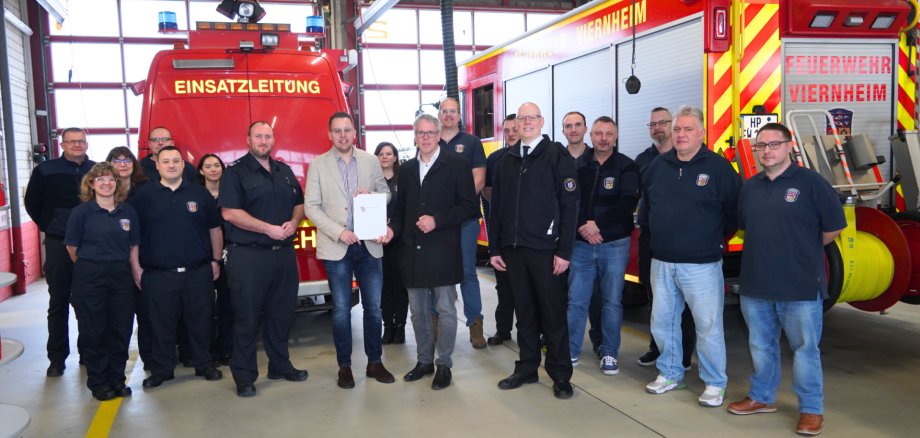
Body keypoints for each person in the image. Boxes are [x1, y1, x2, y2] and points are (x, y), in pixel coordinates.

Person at [728, 123, 845, 436]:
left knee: (805, 349)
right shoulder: (750, 188)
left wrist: (801, 246)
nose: (767, 151)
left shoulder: (812, 183)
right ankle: (762, 397)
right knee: (761, 345)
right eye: (761, 146)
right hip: (756, 284)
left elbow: (833, 227)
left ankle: (811, 410)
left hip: (800, 284)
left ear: (789, 146)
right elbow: (745, 227)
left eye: (774, 144)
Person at [642, 105, 741, 408]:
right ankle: (670, 373)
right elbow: (648, 207)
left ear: (701, 133)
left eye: (688, 129)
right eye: (678, 129)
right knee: (663, 322)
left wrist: (709, 241)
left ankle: (714, 382)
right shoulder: (658, 167)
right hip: (662, 262)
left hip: (701, 264)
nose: (681, 134)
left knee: (707, 325)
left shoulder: (718, 168)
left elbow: (733, 214)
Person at [489, 102, 579, 400]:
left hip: (546, 251)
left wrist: (564, 251)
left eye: (532, 118)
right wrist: (494, 248)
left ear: (541, 122)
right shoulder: (506, 160)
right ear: (514, 124)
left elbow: (570, 206)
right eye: (521, 118)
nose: (526, 123)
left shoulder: (557, 156)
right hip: (513, 251)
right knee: (524, 315)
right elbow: (496, 208)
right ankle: (526, 368)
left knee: (553, 316)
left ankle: (561, 376)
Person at [304, 112, 395, 390]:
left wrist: (374, 196)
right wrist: (338, 231)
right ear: (329, 134)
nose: (343, 135)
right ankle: (344, 366)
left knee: (374, 309)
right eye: (337, 131)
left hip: (369, 246)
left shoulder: (370, 160)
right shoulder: (318, 165)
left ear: (354, 132)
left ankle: (374, 362)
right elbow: (311, 207)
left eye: (347, 130)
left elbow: (386, 194)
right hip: (337, 246)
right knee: (342, 310)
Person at [220, 121, 308, 397]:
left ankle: (280, 365)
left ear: (273, 140)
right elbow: (230, 214)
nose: (263, 140)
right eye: (258, 136)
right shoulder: (235, 173)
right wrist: (267, 228)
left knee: (281, 315)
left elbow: (299, 203)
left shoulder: (284, 170)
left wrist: (295, 222)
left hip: (282, 255)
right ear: (248, 139)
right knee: (247, 318)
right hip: (249, 256)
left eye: (268, 136)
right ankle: (244, 376)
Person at [391, 114, 477, 390]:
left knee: (445, 310)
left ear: (439, 135)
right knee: (417, 312)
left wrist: (437, 220)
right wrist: (391, 229)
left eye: (430, 132)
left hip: (443, 249)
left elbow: (468, 206)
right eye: (420, 133)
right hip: (412, 252)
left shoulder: (457, 165)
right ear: (414, 136)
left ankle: (444, 365)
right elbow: (400, 210)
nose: (426, 137)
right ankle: (424, 360)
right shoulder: (405, 170)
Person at [129, 146, 224, 389]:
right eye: (166, 161)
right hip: (158, 274)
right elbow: (134, 237)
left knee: (201, 321)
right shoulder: (143, 196)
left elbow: (215, 229)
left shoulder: (199, 194)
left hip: (197, 271)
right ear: (157, 166)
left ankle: (204, 364)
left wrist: (215, 260)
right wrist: (136, 267)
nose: (171, 165)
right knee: (160, 324)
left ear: (183, 166)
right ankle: (162, 370)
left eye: (175, 161)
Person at [567, 116, 640, 375]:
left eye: (609, 134)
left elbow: (628, 202)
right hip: (582, 245)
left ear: (616, 136)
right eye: (599, 133)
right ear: (591, 135)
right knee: (576, 300)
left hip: (614, 245)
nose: (604, 138)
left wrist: (598, 225)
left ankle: (609, 352)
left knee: (611, 301)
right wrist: (584, 228)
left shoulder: (627, 166)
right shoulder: (578, 167)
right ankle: (571, 350)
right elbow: (570, 202)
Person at [64, 162, 140, 401]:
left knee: (120, 328)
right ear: (91, 184)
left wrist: (136, 270)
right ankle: (98, 382)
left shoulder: (127, 212)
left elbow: (133, 245)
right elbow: (72, 248)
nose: (106, 183)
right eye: (100, 180)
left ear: (117, 183)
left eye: (110, 179)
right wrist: (93, 266)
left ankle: (117, 379)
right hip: (90, 276)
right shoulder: (81, 213)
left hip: (121, 275)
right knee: (94, 329)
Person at [24, 127, 96, 377]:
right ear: (62, 144)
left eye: (81, 141)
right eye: (72, 141)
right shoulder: (45, 170)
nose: (77, 145)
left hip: (90, 246)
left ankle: (88, 353)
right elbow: (32, 202)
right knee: (58, 303)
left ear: (87, 144)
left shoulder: (97, 170)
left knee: (87, 302)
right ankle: (57, 359)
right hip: (58, 243)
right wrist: (50, 225)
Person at [634, 107, 696, 370]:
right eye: (653, 124)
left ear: (673, 126)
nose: (658, 127)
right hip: (650, 238)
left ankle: (684, 355)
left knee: (685, 302)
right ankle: (657, 347)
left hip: (683, 240)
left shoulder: (683, 156)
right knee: (655, 298)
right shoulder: (642, 160)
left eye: (663, 123)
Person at [437, 97, 488, 349]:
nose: (448, 115)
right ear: (439, 115)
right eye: (444, 111)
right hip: (438, 223)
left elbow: (478, 180)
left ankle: (475, 324)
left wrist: (456, 207)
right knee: (438, 271)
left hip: (465, 219)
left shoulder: (472, 143)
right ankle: (436, 321)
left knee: (467, 271)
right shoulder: (430, 141)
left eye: (452, 111)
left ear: (459, 115)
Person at [106, 146, 152, 369]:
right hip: (113, 260)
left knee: (146, 313)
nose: (122, 164)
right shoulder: (104, 191)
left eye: (127, 160)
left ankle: (150, 360)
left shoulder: (146, 189)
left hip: (144, 257)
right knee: (118, 317)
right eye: (117, 160)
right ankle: (116, 364)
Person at [562, 110, 603, 356]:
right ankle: (562, 341)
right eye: (569, 126)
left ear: (585, 128)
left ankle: (598, 341)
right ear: (563, 130)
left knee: (595, 296)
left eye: (578, 125)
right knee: (562, 295)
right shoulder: (556, 158)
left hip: (588, 240)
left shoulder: (596, 158)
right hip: (563, 240)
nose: (573, 129)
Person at [483, 114, 517, 346]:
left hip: (527, 236)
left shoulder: (537, 157)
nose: (512, 133)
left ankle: (533, 332)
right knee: (504, 287)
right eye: (507, 130)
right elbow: (486, 192)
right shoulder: (494, 159)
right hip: (502, 233)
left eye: (515, 129)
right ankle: (503, 330)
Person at [198, 153, 233, 365]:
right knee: (203, 307)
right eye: (208, 166)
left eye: (217, 165)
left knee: (229, 306)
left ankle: (226, 348)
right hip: (203, 258)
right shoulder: (195, 195)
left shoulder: (231, 195)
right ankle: (206, 350)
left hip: (229, 256)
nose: (213, 169)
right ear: (201, 171)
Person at [375, 142, 409, 345]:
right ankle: (387, 327)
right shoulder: (372, 181)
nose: (385, 157)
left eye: (389, 153)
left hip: (400, 241)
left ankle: (400, 327)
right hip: (377, 242)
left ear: (395, 157)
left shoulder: (403, 180)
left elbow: (406, 209)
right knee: (383, 287)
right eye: (381, 154)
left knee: (400, 286)